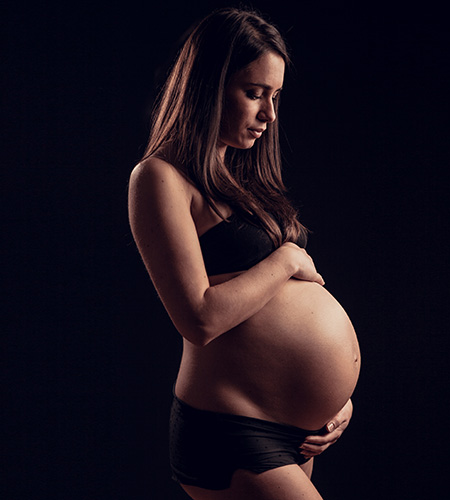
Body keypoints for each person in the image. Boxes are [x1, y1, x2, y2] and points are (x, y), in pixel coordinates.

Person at [128, 7, 360, 500]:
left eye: (275, 96)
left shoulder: (239, 180)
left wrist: (337, 401)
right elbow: (199, 318)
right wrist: (288, 261)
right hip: (230, 430)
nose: (269, 115)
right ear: (207, 87)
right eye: (253, 93)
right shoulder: (158, 177)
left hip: (293, 431)